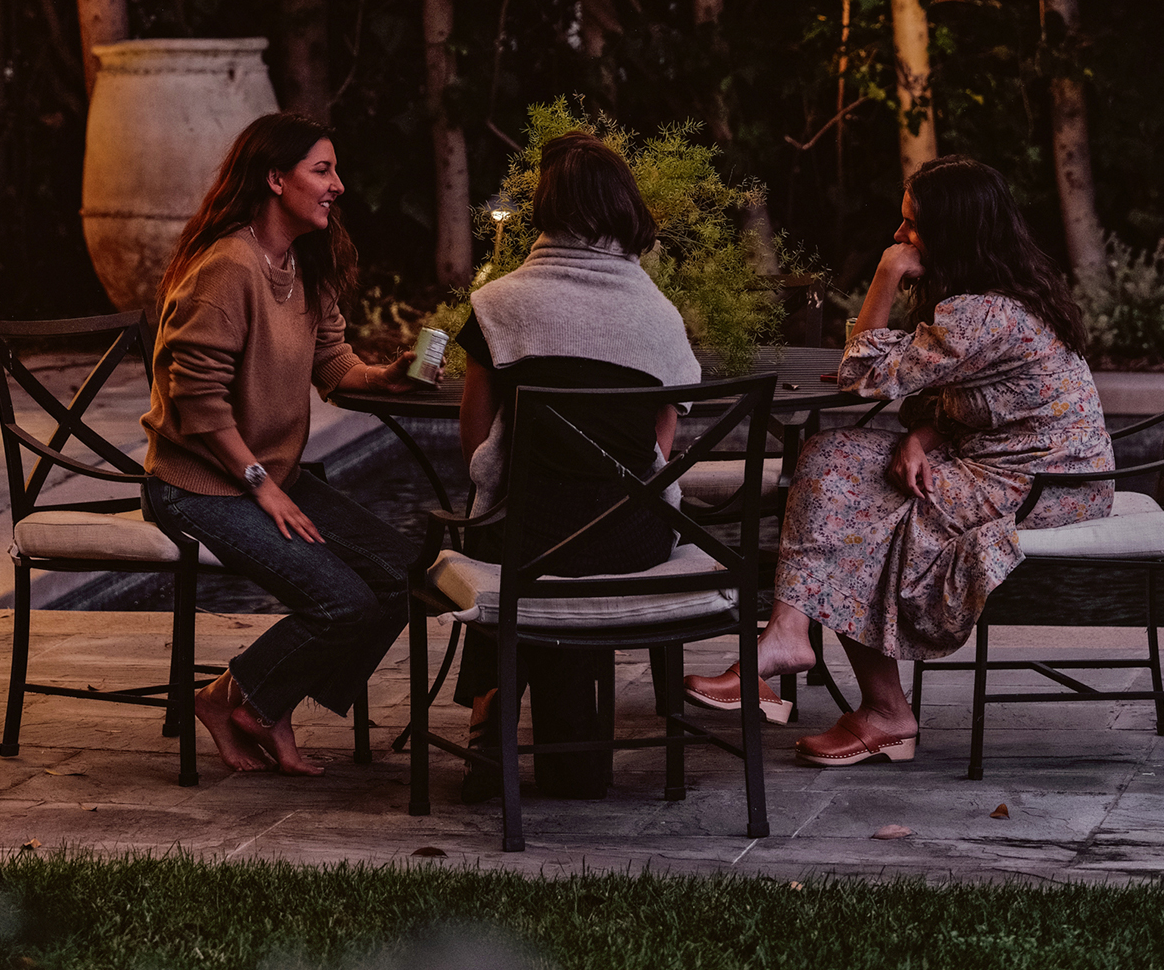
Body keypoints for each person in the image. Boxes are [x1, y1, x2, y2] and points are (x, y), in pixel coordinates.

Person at [685, 153, 1112, 766]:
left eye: (910, 225)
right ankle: (793, 643)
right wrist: (921, 437)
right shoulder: (999, 295)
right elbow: (977, 401)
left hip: (1051, 484)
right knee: (831, 457)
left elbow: (861, 375)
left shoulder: (985, 314)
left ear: (951, 232)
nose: (899, 236)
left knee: (862, 515)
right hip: (1014, 464)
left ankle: (865, 698)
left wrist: (884, 277)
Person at [142, 111, 418, 775]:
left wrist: (386, 376)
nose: (338, 185)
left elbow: (333, 365)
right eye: (321, 170)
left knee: (411, 574)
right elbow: (195, 398)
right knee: (343, 602)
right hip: (197, 483)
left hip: (270, 476)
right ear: (275, 178)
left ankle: (247, 700)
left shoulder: (303, 262)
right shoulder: (227, 268)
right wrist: (261, 485)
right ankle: (247, 703)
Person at [450, 131, 701, 797]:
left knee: (511, 536)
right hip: (633, 540)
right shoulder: (659, 317)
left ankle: (488, 716)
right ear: (624, 210)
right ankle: (572, 760)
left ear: (545, 209)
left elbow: (475, 446)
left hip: (529, 539)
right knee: (572, 538)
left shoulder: (499, 305)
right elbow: (664, 443)